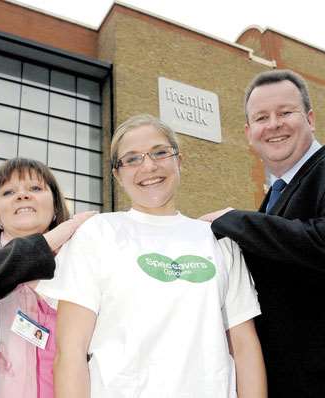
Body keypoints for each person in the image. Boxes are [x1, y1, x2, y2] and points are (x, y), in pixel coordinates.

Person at [37, 114, 267, 398]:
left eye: (160, 153)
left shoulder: (218, 240)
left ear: (179, 161)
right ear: (117, 174)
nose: (148, 166)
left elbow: (244, 347)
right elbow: (71, 352)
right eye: (132, 159)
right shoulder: (97, 233)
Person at [201, 69, 325, 397]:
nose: (274, 124)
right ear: (248, 132)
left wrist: (234, 220)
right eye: (261, 117)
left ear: (311, 119)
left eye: (286, 112)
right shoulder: (270, 203)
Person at [0, 157, 95, 398]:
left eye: (35, 188)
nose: (22, 195)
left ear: (54, 207)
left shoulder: (81, 265)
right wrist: (53, 238)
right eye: (9, 191)